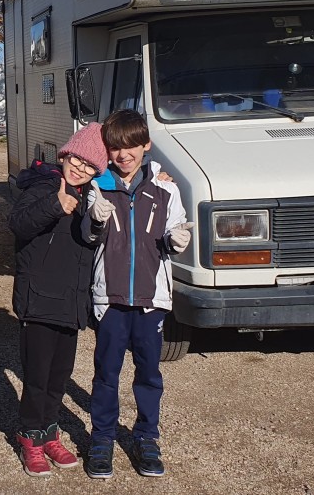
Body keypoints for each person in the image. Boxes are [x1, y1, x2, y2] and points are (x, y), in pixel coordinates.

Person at [82, 109, 192, 480]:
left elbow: (176, 233)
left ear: (146, 145)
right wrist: (94, 219)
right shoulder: (97, 186)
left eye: (131, 146)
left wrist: (179, 242)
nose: (123, 154)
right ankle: (102, 439)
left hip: (151, 300)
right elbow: (86, 238)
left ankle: (147, 437)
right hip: (109, 299)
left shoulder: (166, 188)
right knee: (106, 374)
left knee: (149, 374)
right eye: (115, 147)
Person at [7, 122, 114, 478]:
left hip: (71, 301)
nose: (80, 168)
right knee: (36, 376)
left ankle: (50, 433)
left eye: (89, 165)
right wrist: (55, 205)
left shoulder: (92, 195)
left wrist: (162, 181)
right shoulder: (44, 184)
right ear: (65, 153)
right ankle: (30, 439)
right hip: (38, 299)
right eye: (77, 159)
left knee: (58, 376)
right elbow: (18, 224)